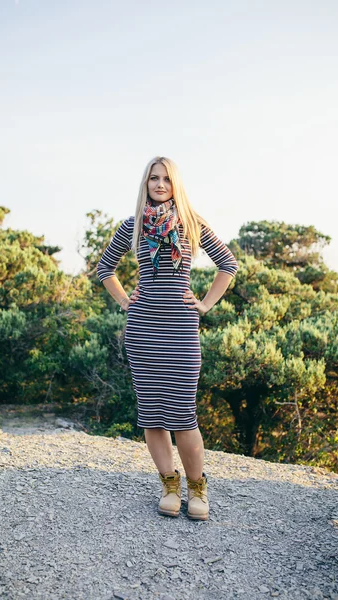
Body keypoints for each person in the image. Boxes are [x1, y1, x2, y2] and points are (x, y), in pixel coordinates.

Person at [97, 156, 238, 521]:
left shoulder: (192, 223)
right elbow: (104, 269)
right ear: (145, 184)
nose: (159, 184)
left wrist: (205, 303)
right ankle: (168, 484)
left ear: (176, 184)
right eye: (153, 179)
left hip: (180, 330)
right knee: (152, 415)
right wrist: (127, 300)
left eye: (166, 179)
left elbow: (229, 264)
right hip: (143, 330)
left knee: (183, 416)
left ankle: (197, 487)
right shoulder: (133, 226)